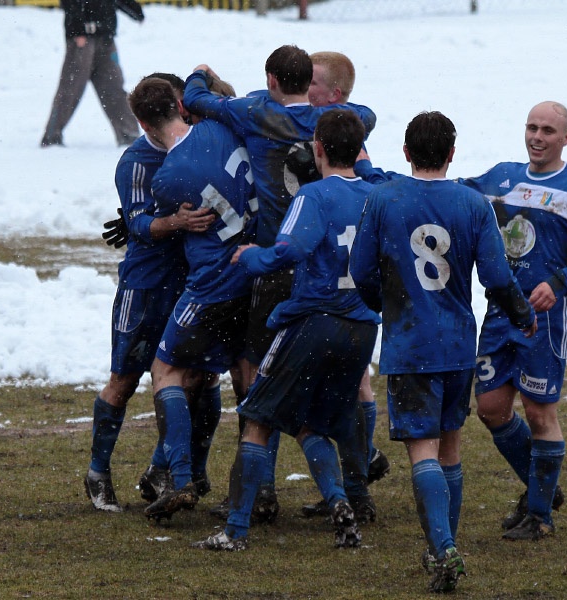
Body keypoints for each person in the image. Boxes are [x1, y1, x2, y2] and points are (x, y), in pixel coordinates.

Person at [182, 45, 377, 523]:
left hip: (277, 261)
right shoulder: (342, 124)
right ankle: (356, 485)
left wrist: (200, 74)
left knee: (255, 373)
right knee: (354, 381)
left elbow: (200, 101)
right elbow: (366, 114)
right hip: (332, 270)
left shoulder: (255, 113)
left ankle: (261, 491)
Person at [349, 111, 537, 593]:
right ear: (452, 154)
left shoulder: (384, 198)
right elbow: (496, 277)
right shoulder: (473, 204)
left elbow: (361, 269)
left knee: (422, 451)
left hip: (410, 343)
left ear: (407, 152)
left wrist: (386, 304)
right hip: (457, 345)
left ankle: (442, 548)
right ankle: (446, 543)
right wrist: (521, 311)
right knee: (450, 446)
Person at [459, 101, 567, 541]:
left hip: (546, 318)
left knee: (540, 412)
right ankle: (542, 484)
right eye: (531, 128)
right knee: (490, 409)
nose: (537, 137)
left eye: (547, 130)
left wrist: (560, 282)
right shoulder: (503, 178)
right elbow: (453, 191)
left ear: (566, 138)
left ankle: (540, 514)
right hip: (501, 312)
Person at [125, 77, 257, 522]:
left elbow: (154, 227)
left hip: (213, 285)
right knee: (245, 379)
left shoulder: (166, 179)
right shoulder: (222, 126)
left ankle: (180, 479)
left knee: (167, 371)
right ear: (183, 105)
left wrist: (163, 222)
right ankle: (259, 489)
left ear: (142, 122)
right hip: (255, 274)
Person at [84, 73, 216, 513]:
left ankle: (167, 469)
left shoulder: (199, 142)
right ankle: (98, 473)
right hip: (145, 288)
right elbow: (139, 225)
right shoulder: (135, 163)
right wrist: (172, 222)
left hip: (193, 283)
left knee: (197, 377)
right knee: (124, 381)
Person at [296, 50, 389, 520]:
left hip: (319, 296)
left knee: (304, 406)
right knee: (357, 386)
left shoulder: (336, 134)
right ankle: (359, 474)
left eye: (309, 82)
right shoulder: (348, 132)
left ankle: (348, 484)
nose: (299, 87)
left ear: (333, 96)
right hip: (355, 304)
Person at [40, 0, 143, 147]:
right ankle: (52, 136)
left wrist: (136, 11)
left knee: (114, 88)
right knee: (70, 90)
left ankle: (129, 135)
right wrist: (77, 29)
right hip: (82, 39)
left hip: (106, 37)